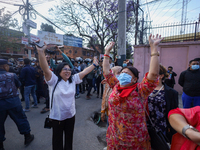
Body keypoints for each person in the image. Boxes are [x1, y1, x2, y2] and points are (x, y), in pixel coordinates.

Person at [103, 34, 163, 149]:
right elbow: (106, 72)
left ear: (135, 79)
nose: (123, 75)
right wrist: (106, 52)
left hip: (135, 140)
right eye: (122, 73)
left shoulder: (141, 90)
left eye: (127, 74)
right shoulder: (116, 86)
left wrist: (154, 48)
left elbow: (153, 75)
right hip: (115, 136)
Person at [36, 42, 98, 150]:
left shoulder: (73, 79)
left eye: (69, 69)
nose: (68, 71)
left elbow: (84, 72)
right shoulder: (54, 80)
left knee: (69, 139)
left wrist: (94, 64)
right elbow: (45, 69)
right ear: (59, 71)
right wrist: (41, 52)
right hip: (57, 117)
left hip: (71, 116)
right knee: (57, 141)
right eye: (65, 69)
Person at [0, 59, 34, 150]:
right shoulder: (12, 75)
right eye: (8, 66)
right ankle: (27, 137)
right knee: (21, 119)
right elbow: (18, 85)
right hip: (13, 102)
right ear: (4, 66)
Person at [147, 64, 178, 142]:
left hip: (161, 126)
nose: (149, 75)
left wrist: (171, 127)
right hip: (145, 125)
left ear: (161, 76)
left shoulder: (171, 93)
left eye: (153, 73)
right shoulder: (144, 89)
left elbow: (174, 112)